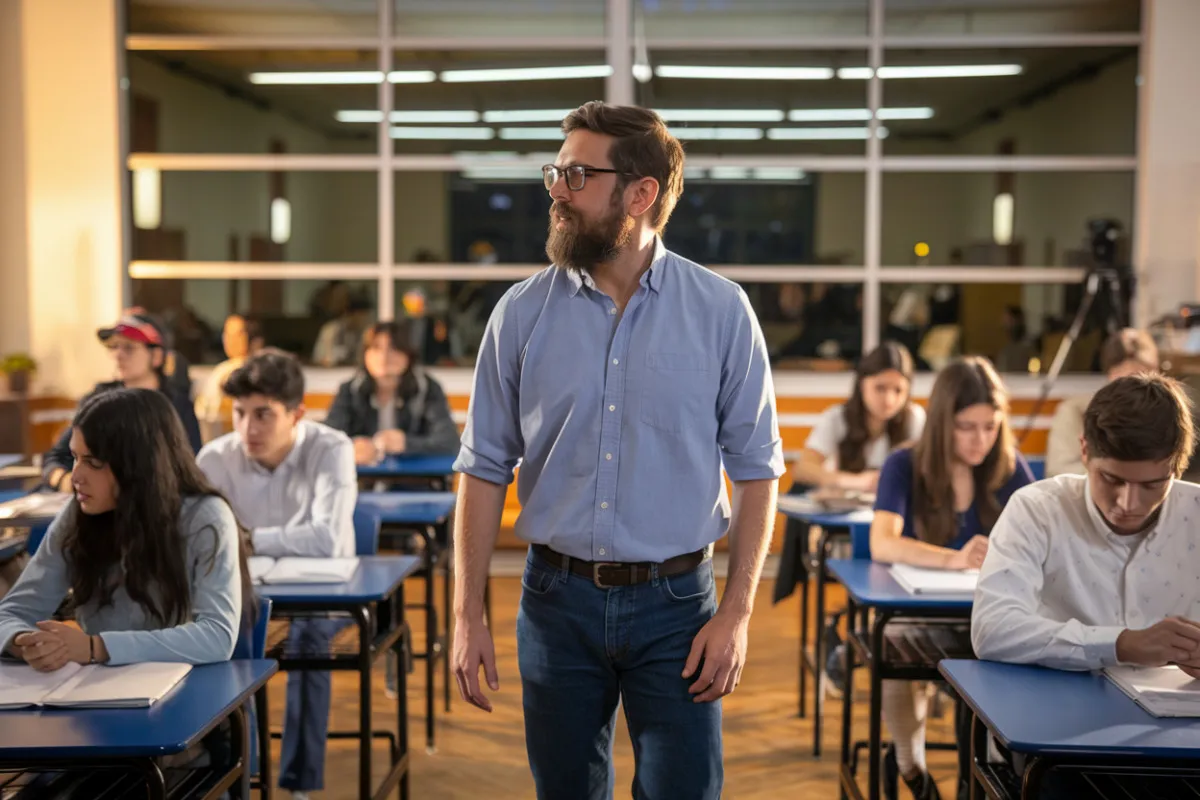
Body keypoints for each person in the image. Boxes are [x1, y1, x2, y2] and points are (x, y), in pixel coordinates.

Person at [451, 101, 784, 800]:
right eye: (555, 172)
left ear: (641, 195)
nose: (557, 191)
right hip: (555, 602)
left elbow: (758, 472)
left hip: (679, 606)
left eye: (577, 176)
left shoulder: (722, 312)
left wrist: (736, 615)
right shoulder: (520, 313)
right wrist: (466, 615)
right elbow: (482, 469)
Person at [973, 373, 1200, 795]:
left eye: (1153, 485)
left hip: (1181, 740)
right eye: (1112, 479)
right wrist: (1121, 644)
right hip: (1058, 738)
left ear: (1177, 467)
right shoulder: (1037, 510)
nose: (1129, 503)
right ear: (1084, 451)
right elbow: (991, 629)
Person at [870, 356, 1034, 800]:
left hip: (989, 617)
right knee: (892, 644)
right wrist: (954, 560)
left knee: (1002, 664)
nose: (981, 439)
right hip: (921, 614)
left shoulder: (1008, 466)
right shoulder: (905, 464)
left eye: (990, 426)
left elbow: (1043, 543)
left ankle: (981, 779)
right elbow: (882, 543)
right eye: (967, 427)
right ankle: (911, 766)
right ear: (943, 423)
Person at [197, 348, 356, 800]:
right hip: (244, 597)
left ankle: (299, 782)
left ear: (297, 414)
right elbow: (199, 542)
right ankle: (240, 777)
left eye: (263, 414)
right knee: (225, 640)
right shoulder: (214, 459)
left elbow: (327, 539)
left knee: (308, 638)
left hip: (325, 595)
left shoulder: (331, 449)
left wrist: (248, 539)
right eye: (240, 413)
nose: (249, 428)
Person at [781, 341, 926, 694]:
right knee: (865, 574)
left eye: (898, 390)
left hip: (894, 527)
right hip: (844, 529)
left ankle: (866, 640)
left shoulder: (915, 420)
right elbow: (805, 469)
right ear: (861, 383)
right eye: (880, 388)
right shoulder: (838, 418)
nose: (889, 399)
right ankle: (846, 638)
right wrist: (855, 481)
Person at [42, 313, 202, 493]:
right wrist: (64, 481)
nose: (118, 355)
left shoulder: (177, 405)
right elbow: (55, 458)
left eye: (129, 348)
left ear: (156, 356)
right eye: (115, 347)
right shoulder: (98, 401)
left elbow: (191, 464)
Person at [324, 320, 460, 464]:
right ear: (364, 354)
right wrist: (351, 448)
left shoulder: (427, 388)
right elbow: (327, 440)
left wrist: (406, 444)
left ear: (408, 354)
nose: (384, 356)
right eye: (376, 348)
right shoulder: (350, 390)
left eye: (394, 348)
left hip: (416, 476)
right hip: (362, 476)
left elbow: (450, 443)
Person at [1046, 327, 1159, 477]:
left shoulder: (1167, 414)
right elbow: (1060, 470)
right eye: (1131, 376)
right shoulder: (1076, 411)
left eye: (1150, 377)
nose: (1140, 388)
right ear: (1111, 374)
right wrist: (1116, 475)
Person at [195, 313, 266, 442]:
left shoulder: (258, 371)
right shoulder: (223, 369)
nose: (230, 340)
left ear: (254, 340)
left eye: (237, 335)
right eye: (227, 334)